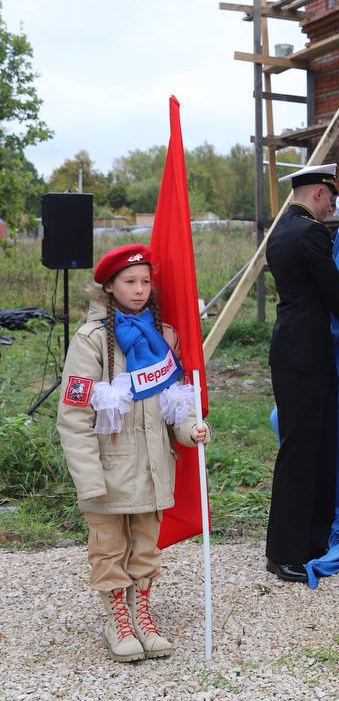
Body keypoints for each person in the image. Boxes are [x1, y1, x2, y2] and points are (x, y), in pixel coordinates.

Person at [57, 244, 209, 662]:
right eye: (129, 282)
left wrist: (189, 427)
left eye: (145, 281)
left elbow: (173, 401)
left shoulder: (165, 337)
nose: (140, 290)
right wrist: (88, 480)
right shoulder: (91, 342)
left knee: (145, 545)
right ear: (109, 287)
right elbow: (73, 417)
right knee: (108, 547)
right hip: (108, 467)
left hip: (152, 464)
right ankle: (116, 616)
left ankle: (142, 611)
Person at [265, 162, 339, 584]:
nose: (332, 206)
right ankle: (285, 552)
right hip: (305, 357)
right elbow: (333, 289)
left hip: (295, 352)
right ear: (319, 193)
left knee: (314, 449)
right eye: (331, 197)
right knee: (304, 453)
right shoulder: (309, 233)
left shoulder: (280, 229)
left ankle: (311, 540)